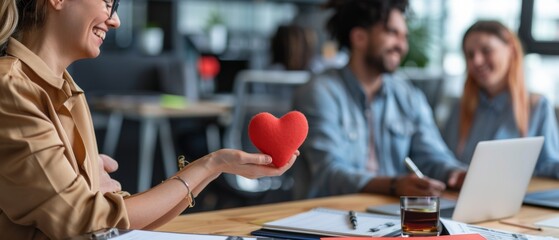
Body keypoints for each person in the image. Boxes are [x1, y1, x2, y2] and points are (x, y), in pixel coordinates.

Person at [0, 0, 298, 239]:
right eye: (108, 3)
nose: (115, 20)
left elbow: (115, 223)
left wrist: (215, 167)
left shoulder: (65, 89)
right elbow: (89, 224)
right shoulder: (10, 89)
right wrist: (210, 164)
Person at [292, 0, 467, 200]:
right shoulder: (319, 92)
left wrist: (457, 174)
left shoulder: (408, 95)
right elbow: (328, 171)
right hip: (329, 214)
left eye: (404, 37)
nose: (402, 46)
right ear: (359, 37)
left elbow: (432, 155)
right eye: (392, 33)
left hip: (392, 214)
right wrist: (393, 185)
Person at [442, 20, 559, 178]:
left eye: (486, 50)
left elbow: (549, 164)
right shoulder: (460, 107)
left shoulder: (537, 107)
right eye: (470, 55)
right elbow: (441, 159)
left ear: (510, 50)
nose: (477, 61)